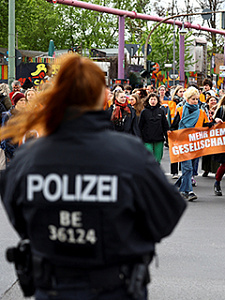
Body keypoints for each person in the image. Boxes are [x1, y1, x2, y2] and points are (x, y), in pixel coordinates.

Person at [0, 54, 186, 300]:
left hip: (53, 287)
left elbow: (19, 216)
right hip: (115, 287)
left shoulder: (28, 158)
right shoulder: (130, 154)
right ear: (104, 96)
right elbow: (166, 215)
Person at [171, 86, 210, 201]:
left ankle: (180, 189)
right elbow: (174, 126)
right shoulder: (180, 110)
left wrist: (215, 123)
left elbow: (206, 125)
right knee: (187, 168)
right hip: (183, 143)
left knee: (189, 169)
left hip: (195, 144)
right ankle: (189, 191)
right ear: (187, 99)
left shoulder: (201, 112)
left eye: (197, 99)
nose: (195, 101)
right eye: (193, 99)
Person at [139, 93, 169, 164]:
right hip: (147, 139)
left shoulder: (161, 111)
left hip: (159, 139)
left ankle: (156, 172)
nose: (153, 101)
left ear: (157, 101)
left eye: (154, 99)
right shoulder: (144, 112)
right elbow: (140, 126)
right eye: (151, 99)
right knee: (148, 158)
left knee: (158, 159)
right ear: (148, 101)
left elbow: (165, 125)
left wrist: (168, 138)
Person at [168, 86, 184, 179]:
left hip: (182, 130)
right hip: (174, 129)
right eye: (180, 91)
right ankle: (174, 172)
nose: (182, 93)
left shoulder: (185, 103)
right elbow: (169, 117)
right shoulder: (171, 103)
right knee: (174, 152)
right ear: (176, 93)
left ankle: (182, 170)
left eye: (183, 91)